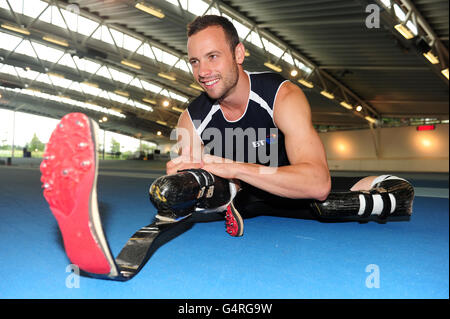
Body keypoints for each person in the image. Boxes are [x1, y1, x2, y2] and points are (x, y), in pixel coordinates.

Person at [40, 15, 414, 281]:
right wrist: (183, 181)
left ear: (238, 54)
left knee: (393, 192)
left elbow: (316, 181)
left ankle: (235, 195)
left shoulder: (282, 95)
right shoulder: (192, 117)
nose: (203, 70)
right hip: (234, 197)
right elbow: (185, 172)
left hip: (293, 190)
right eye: (194, 61)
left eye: (213, 56)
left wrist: (233, 166)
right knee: (174, 188)